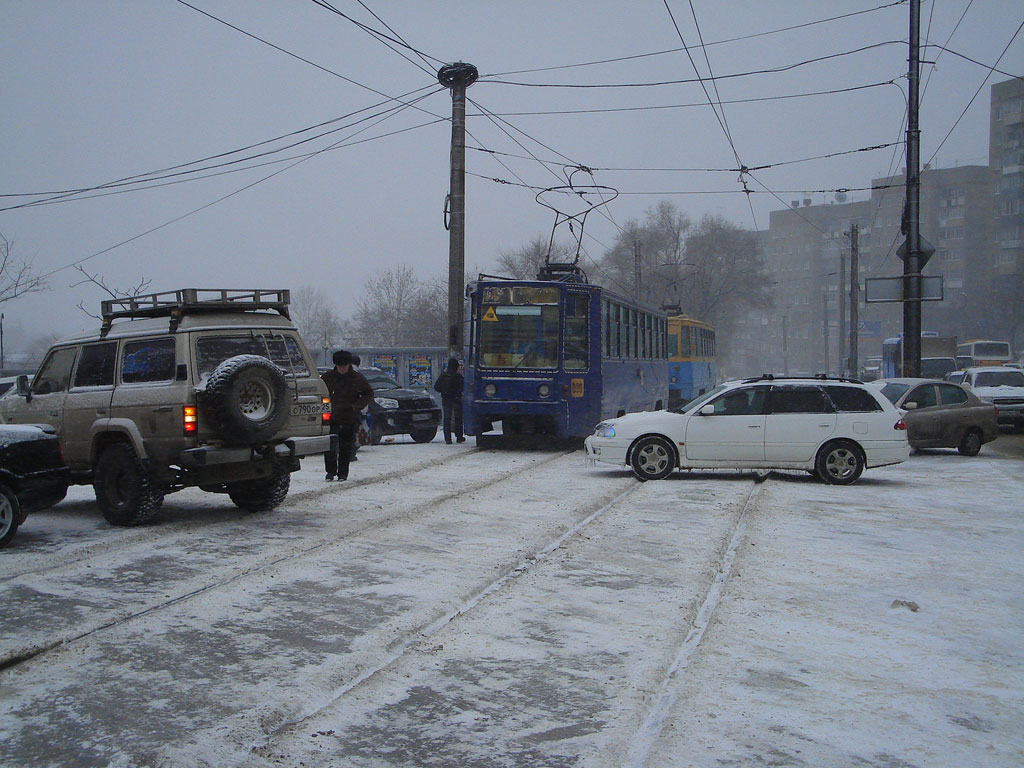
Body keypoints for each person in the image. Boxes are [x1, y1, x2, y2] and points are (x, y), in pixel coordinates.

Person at [321, 350, 373, 481]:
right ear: (336, 365)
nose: (342, 368)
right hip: (331, 418)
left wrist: (356, 406)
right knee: (330, 446)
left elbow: (368, 393)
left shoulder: (357, 378)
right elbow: (320, 394)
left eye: (344, 365)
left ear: (349, 365)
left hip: (349, 417)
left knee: (346, 446)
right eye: (339, 365)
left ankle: (343, 473)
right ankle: (330, 472)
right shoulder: (327, 377)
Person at [433, 357, 465, 444]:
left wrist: (443, 391)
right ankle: (459, 437)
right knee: (458, 418)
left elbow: (436, 387)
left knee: (447, 418)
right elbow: (463, 387)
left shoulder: (443, 375)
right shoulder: (458, 376)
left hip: (446, 399)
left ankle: (448, 438)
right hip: (457, 399)